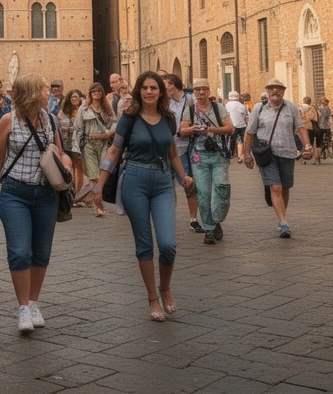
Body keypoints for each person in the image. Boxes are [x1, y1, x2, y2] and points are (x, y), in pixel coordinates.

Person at [90, 72, 193, 322]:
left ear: (161, 92)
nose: (149, 92)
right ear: (139, 91)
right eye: (145, 88)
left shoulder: (168, 118)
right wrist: (98, 187)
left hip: (162, 183)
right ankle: (152, 298)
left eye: (154, 88)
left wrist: (183, 177)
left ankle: (165, 287)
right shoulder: (130, 118)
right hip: (135, 180)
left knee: (168, 244)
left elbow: (172, 153)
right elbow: (114, 151)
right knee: (144, 244)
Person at [0, 73, 66, 334]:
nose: (47, 92)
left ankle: (34, 302)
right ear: (31, 92)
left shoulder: (51, 120)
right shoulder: (8, 120)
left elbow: (60, 154)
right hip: (14, 193)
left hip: (46, 195)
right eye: (42, 88)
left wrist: (68, 166)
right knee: (19, 252)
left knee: (40, 252)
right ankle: (23, 307)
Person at [242, 78, 311, 238]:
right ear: (267, 91)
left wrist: (307, 145)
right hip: (267, 154)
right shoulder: (259, 109)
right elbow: (250, 132)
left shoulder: (291, 107)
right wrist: (246, 154)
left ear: (283, 92)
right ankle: (284, 222)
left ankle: (282, 216)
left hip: (288, 152)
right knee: (276, 187)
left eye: (278, 89)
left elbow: (300, 127)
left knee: (285, 187)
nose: (275, 91)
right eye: (271, 88)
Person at [178, 80, 235, 245]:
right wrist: (192, 129)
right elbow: (181, 131)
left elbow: (230, 128)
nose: (200, 93)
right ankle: (209, 228)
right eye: (197, 90)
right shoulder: (189, 110)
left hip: (218, 156)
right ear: (194, 92)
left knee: (221, 191)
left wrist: (211, 129)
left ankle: (217, 220)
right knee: (203, 195)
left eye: (203, 90)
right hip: (198, 158)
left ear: (208, 91)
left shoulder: (219, 108)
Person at [162, 74, 201, 234]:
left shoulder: (191, 100)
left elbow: (199, 116)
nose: (164, 89)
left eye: (166, 86)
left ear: (173, 85)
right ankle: (169, 217)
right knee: (167, 185)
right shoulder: (164, 102)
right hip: (165, 147)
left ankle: (194, 218)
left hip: (184, 147)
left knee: (188, 183)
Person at [74, 83, 116, 217]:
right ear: (90, 93)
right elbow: (78, 126)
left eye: (98, 91)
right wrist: (77, 145)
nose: (96, 94)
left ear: (102, 93)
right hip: (89, 144)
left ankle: (96, 202)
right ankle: (98, 205)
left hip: (103, 143)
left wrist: (109, 133)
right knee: (93, 177)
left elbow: (115, 122)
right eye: (93, 91)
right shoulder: (84, 108)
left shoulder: (107, 107)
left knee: (102, 175)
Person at [58, 89, 85, 195]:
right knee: (70, 167)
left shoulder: (83, 109)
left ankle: (79, 193)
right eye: (72, 97)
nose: (74, 99)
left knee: (79, 167)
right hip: (67, 141)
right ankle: (70, 191)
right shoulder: (65, 110)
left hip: (78, 142)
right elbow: (59, 122)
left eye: (76, 97)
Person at [226, 91, 249, 163]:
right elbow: (246, 115)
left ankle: (229, 154)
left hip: (232, 125)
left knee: (230, 141)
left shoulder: (227, 105)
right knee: (241, 141)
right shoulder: (242, 106)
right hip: (242, 125)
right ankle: (241, 156)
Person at [301, 97, 321, 165]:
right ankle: (317, 159)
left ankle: (305, 159)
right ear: (310, 101)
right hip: (314, 127)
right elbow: (319, 115)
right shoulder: (313, 108)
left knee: (306, 143)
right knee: (315, 144)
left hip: (304, 127)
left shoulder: (300, 108)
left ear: (304, 101)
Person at [316, 97, 333, 164]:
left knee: (327, 140)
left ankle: (323, 151)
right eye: (322, 101)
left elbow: (326, 115)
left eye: (325, 101)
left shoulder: (327, 109)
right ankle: (320, 154)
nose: (324, 103)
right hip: (320, 126)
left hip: (326, 126)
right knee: (320, 141)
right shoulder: (319, 108)